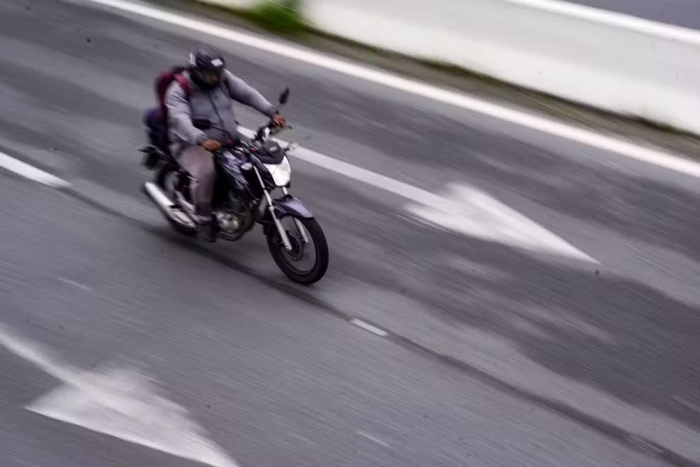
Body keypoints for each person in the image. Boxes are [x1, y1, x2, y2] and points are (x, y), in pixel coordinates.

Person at [165, 44, 286, 242]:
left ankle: (241, 203)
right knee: (206, 173)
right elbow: (180, 120)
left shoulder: (223, 79)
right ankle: (203, 218)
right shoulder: (179, 91)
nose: (216, 78)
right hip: (191, 143)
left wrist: (272, 112)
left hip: (226, 139)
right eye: (210, 75)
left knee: (255, 162)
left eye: (218, 72)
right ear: (196, 72)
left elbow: (248, 94)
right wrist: (201, 139)